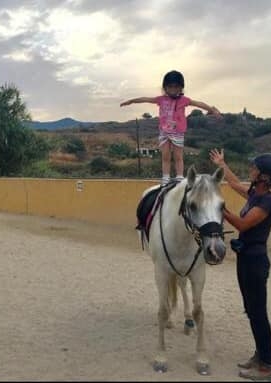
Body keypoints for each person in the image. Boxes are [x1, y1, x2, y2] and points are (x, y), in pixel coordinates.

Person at [210, 148, 271, 381]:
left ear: (264, 176)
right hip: (245, 259)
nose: (251, 170)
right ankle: (261, 355)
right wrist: (222, 164)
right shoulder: (257, 195)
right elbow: (235, 184)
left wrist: (219, 207)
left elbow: (243, 224)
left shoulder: (267, 201)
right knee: (251, 310)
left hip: (255, 262)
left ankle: (267, 365)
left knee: (258, 313)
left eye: (254, 168)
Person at [120, 70, 222, 185]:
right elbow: (145, 99)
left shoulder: (184, 100)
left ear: (181, 88)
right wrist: (132, 101)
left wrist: (212, 110)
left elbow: (199, 103)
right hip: (164, 132)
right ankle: (165, 178)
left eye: (176, 86)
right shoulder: (161, 99)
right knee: (165, 156)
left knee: (178, 156)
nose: (173, 89)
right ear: (165, 87)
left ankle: (179, 177)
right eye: (170, 86)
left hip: (178, 132)